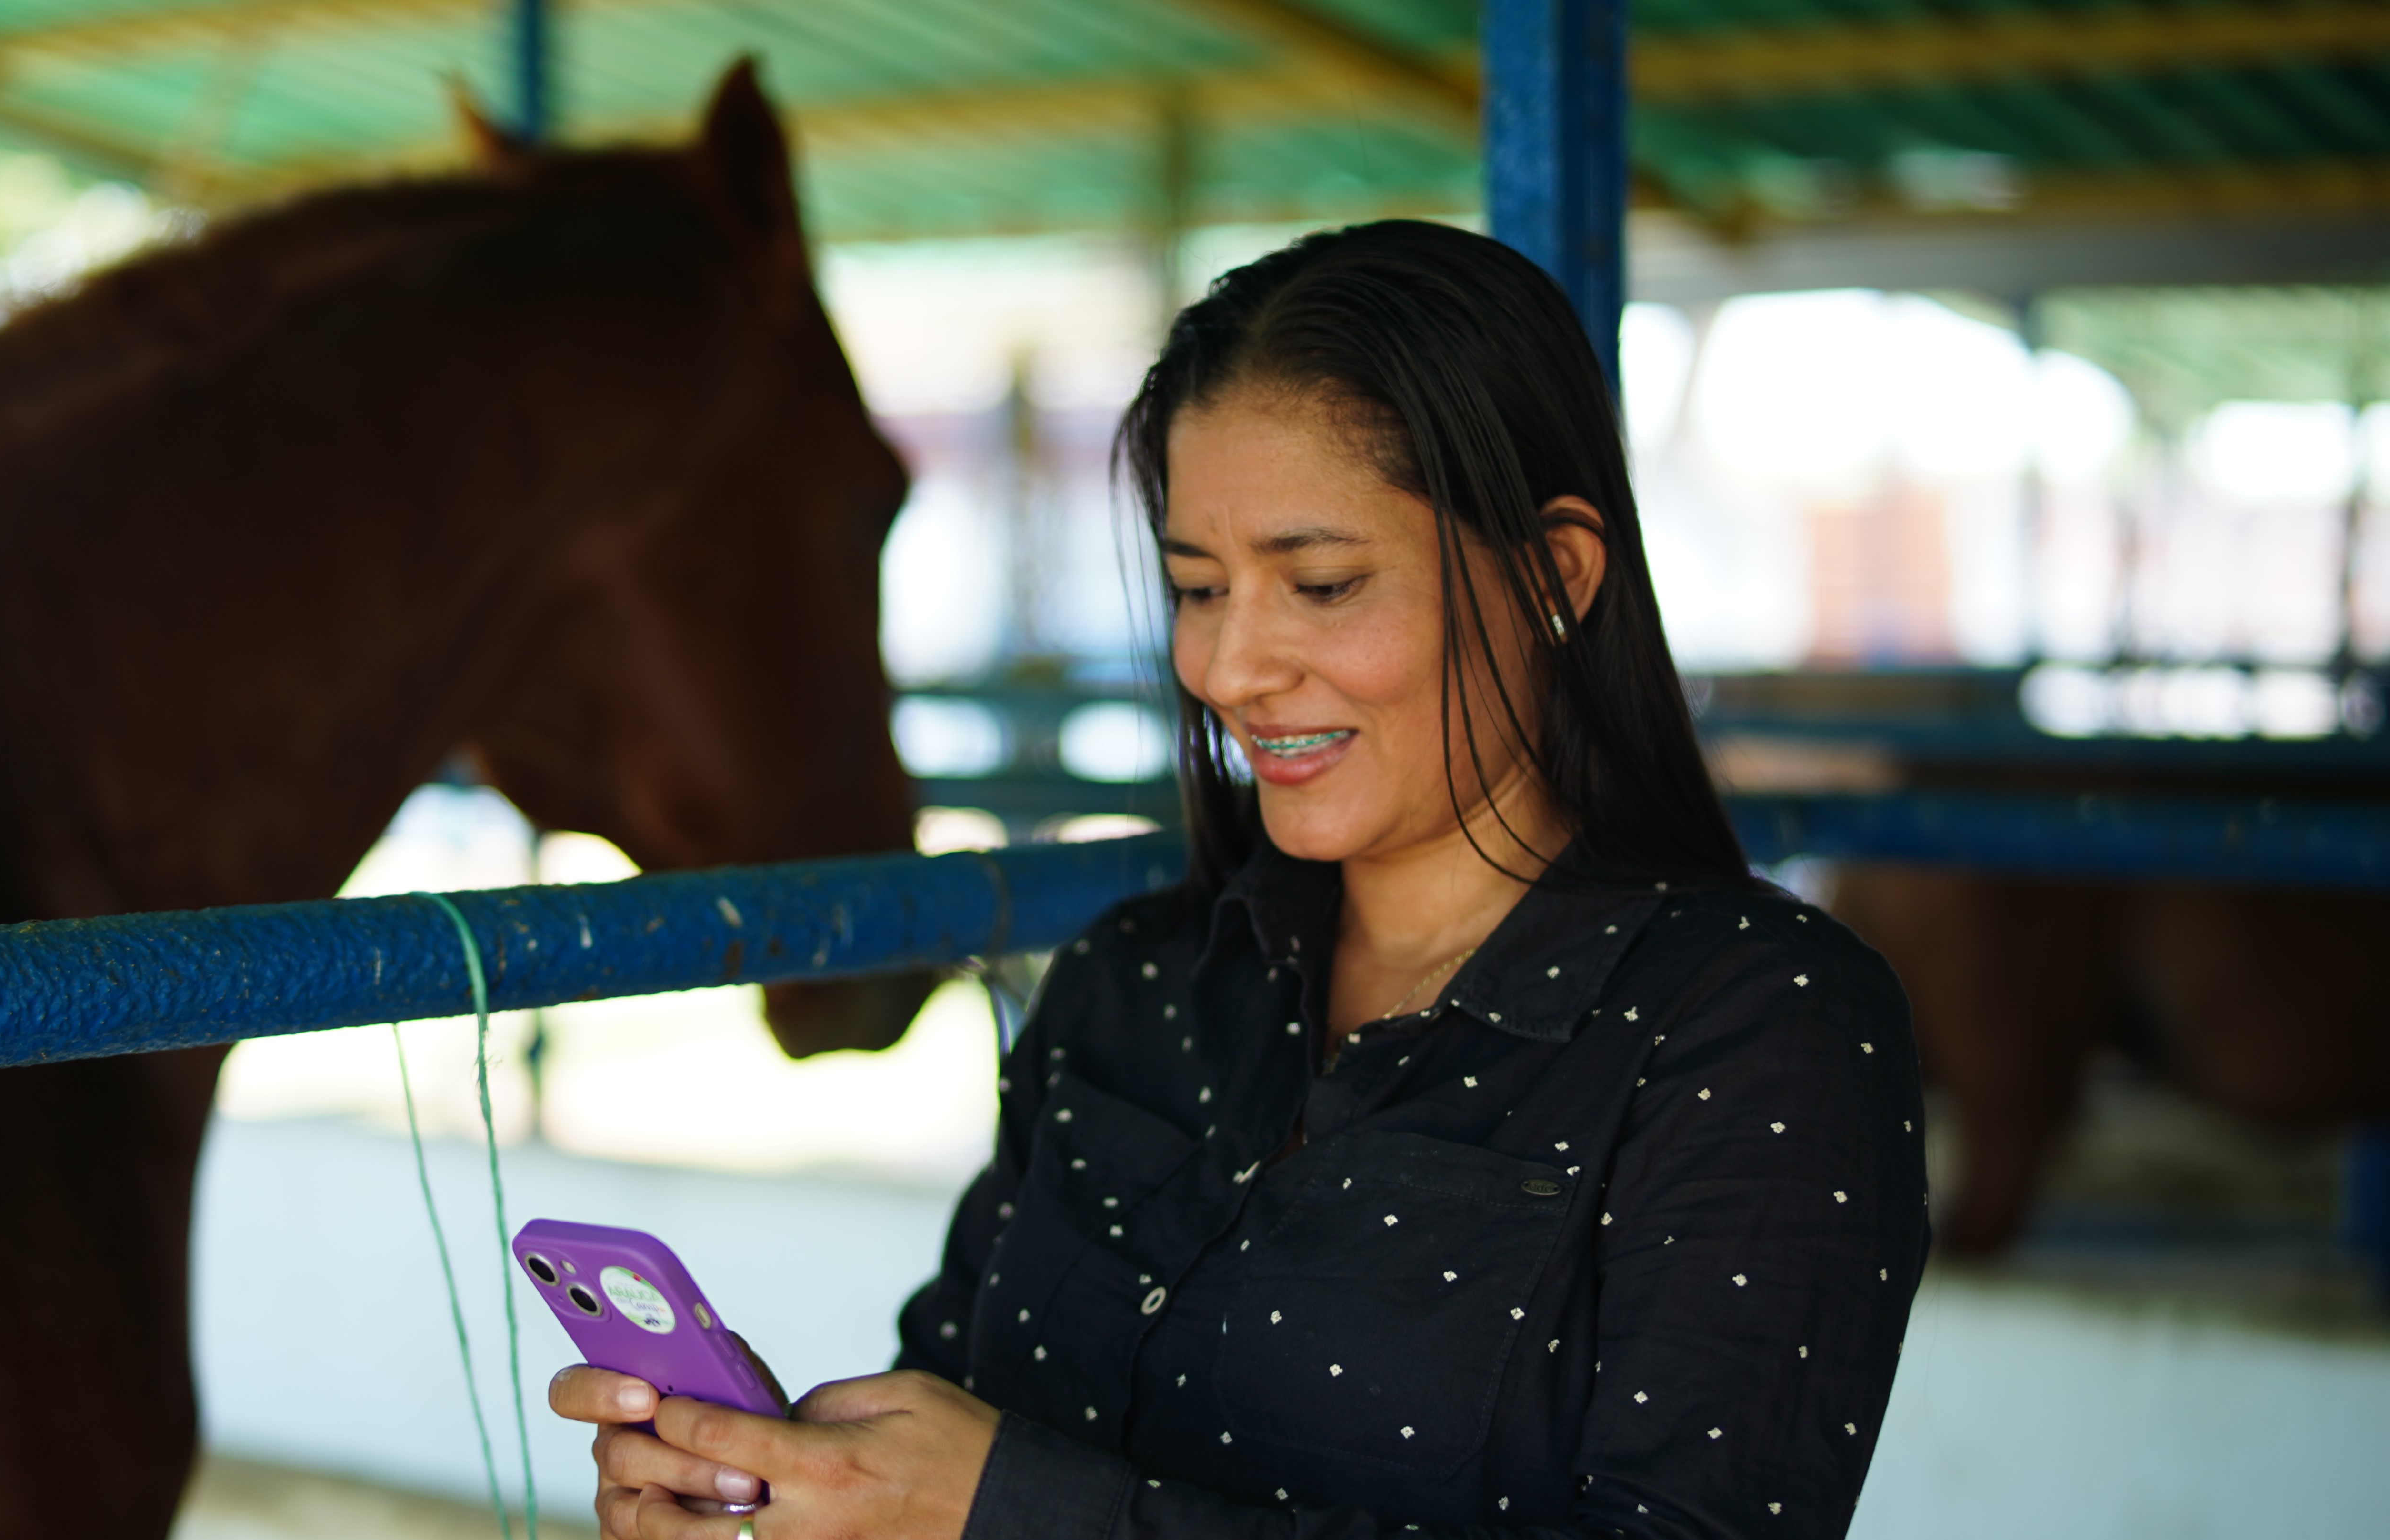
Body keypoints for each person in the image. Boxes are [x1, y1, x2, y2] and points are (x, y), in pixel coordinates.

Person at [549, 220, 1928, 1540]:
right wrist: (784, 1484)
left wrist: (1011, 1513)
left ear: (1557, 576)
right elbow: (954, 1412)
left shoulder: (1762, 1030)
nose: (1227, 669)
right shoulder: (1134, 978)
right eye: (1198, 587)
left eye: (1320, 584)